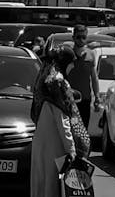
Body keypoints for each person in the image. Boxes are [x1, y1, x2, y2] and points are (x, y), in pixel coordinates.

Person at [30, 46, 90, 197]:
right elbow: (62, 121)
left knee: (39, 185)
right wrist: (71, 150)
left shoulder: (43, 79)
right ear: (65, 62)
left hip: (39, 142)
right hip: (55, 146)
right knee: (52, 186)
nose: (72, 67)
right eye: (71, 63)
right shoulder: (58, 83)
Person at [66, 24, 100, 127]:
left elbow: (94, 77)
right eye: (78, 37)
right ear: (73, 38)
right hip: (70, 100)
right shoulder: (68, 54)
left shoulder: (90, 55)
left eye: (83, 37)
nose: (81, 40)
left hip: (85, 99)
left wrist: (97, 97)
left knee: (84, 128)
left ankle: (81, 143)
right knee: (73, 128)